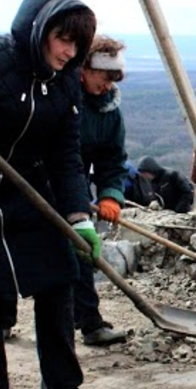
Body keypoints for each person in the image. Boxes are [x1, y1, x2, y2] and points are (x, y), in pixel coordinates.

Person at [0, 0, 109, 389]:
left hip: (28, 193)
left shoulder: (64, 83)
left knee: (59, 279)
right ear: (39, 30)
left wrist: (79, 218)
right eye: (64, 39)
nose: (70, 53)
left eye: (77, 45)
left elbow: (67, 156)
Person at [76, 33, 129, 346]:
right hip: (35, 180)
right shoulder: (61, 97)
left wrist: (110, 194)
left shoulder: (109, 112)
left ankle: (89, 323)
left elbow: (112, 159)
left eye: (113, 79)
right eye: (104, 77)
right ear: (84, 68)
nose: (108, 85)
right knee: (18, 248)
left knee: (82, 249)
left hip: (75, 186)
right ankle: (1, 317)